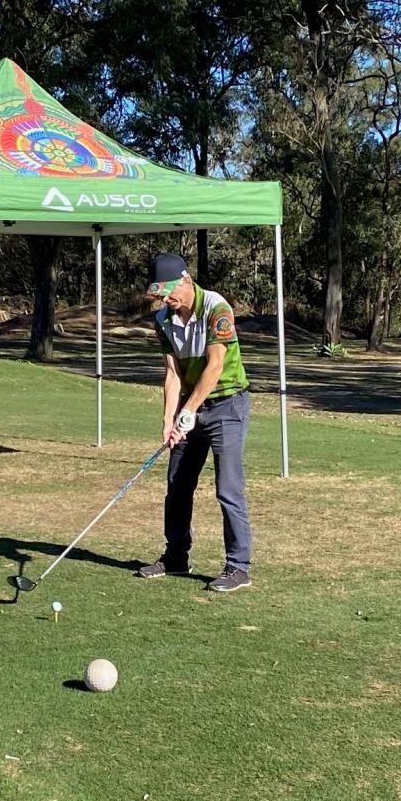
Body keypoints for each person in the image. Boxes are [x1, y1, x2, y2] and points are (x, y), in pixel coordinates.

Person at [137, 252, 253, 592]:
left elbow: (215, 367)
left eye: (170, 291)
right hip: (190, 406)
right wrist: (169, 418)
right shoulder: (163, 319)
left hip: (227, 405)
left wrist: (189, 410)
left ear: (186, 280)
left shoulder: (217, 309)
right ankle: (176, 557)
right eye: (160, 294)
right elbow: (172, 373)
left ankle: (238, 566)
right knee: (177, 484)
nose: (166, 299)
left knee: (228, 489)